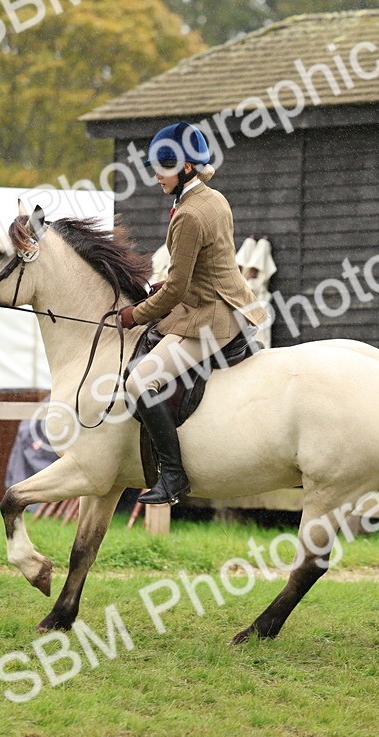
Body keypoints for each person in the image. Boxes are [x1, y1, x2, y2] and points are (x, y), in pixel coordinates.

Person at [117, 121, 268, 505]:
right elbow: (203, 268)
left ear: (186, 168)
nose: (155, 175)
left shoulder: (189, 215)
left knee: (138, 382)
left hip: (209, 319)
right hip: (229, 301)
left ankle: (173, 476)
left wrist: (136, 314)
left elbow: (179, 287)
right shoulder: (214, 199)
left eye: (162, 167)